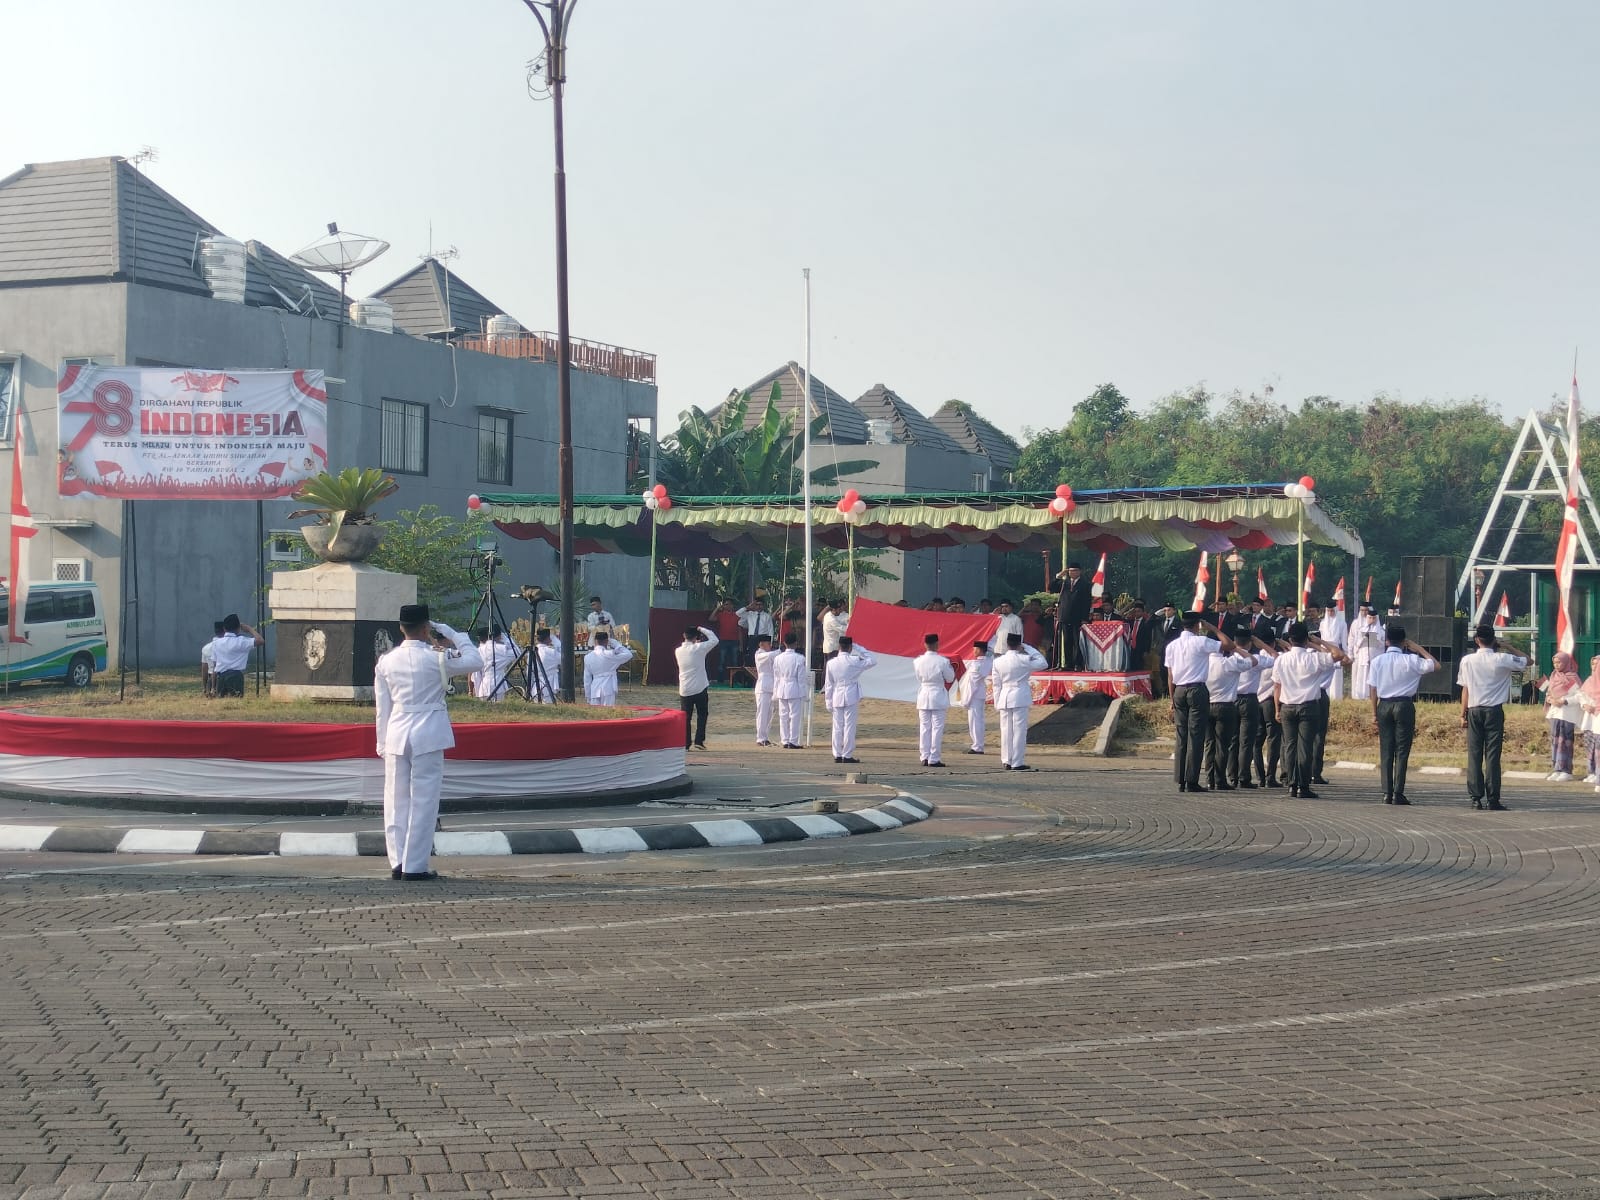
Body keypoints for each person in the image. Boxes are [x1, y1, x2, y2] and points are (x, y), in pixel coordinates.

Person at [374, 604, 482, 882]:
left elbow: (382, 708)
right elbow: (475, 661)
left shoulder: (386, 661)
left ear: (401, 628)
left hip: (396, 731)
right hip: (429, 732)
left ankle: (398, 861)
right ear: (426, 628)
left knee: (395, 801)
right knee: (423, 801)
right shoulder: (438, 658)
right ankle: (415, 865)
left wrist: (381, 743)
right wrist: (453, 633)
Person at [1273, 621, 1349, 798]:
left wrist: (1277, 709)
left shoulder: (1281, 659)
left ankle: (1291, 784)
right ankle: (1303, 786)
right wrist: (1319, 642)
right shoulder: (1313, 658)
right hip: (1308, 706)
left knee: (1290, 746)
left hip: (1287, 706)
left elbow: (1277, 686)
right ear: (1306, 639)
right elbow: (1339, 655)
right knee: (1305, 747)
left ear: (1290, 639)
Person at [1457, 624, 1529, 811]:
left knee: (1474, 755)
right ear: (1494, 640)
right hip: (1494, 711)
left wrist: (1462, 714)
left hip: (1474, 710)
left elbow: (1465, 689)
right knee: (1493, 756)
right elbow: (1528, 661)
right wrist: (1508, 647)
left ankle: (1475, 797)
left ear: (1476, 640)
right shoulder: (1502, 658)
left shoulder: (1467, 660)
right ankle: (1493, 798)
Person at [1367, 624, 1439, 805]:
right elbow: (1436, 665)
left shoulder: (1377, 661)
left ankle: (1386, 792)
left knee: (1386, 750)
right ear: (1404, 642)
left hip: (1384, 704)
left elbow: (1373, 689)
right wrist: (1419, 648)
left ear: (1387, 641)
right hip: (1404, 705)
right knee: (1402, 750)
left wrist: (1374, 714)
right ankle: (1398, 792)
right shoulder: (1412, 660)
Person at [1164, 612, 1234, 793]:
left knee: (1181, 736)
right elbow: (1229, 645)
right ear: (1197, 625)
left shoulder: (1172, 646)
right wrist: (1213, 628)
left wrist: (1172, 699)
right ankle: (1192, 780)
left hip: (1179, 690)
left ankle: (1180, 779)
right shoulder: (1201, 641)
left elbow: (1170, 675)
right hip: (1196, 689)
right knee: (1195, 736)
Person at [1201, 637, 1254, 790]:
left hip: (1207, 704)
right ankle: (1220, 779)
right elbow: (1253, 661)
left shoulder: (1203, 663)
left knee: (1209, 744)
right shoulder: (1229, 663)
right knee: (1223, 746)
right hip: (1225, 705)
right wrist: (1236, 648)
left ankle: (1209, 779)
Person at [992, 633, 1048, 769]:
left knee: (1006, 730)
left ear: (1007, 644)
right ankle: (1017, 762)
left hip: (1004, 696)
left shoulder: (998, 661)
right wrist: (1027, 647)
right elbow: (1043, 663)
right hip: (1019, 695)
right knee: (1019, 730)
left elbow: (996, 684)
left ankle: (1006, 760)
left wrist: (997, 702)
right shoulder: (1024, 659)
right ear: (1019, 644)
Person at [823, 636, 876, 762]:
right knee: (849, 726)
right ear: (850, 647)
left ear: (839, 647)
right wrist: (858, 647)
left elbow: (828, 684)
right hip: (851, 694)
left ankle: (837, 754)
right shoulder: (854, 660)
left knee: (837, 726)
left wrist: (828, 701)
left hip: (837, 694)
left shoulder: (831, 663)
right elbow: (872, 660)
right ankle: (847, 755)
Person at [1537, 651, 1582, 782]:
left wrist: (1563, 701)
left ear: (1566, 663)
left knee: (1565, 742)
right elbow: (1550, 692)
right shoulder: (1554, 676)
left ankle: (1566, 770)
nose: (1556, 665)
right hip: (1555, 713)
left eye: (1559, 662)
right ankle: (1557, 768)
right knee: (1555, 741)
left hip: (1567, 714)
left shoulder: (1571, 677)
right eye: (1554, 662)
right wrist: (1550, 699)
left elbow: (1579, 696)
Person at [913, 632, 956, 766]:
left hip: (924, 693)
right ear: (937, 644)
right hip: (937, 694)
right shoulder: (942, 661)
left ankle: (924, 756)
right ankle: (934, 757)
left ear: (925, 644)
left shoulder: (918, 661)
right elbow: (950, 678)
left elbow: (918, 678)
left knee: (924, 727)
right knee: (937, 728)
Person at [675, 624, 719, 751]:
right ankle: (699, 741)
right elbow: (714, 640)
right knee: (702, 714)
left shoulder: (678, 650)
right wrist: (701, 629)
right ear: (696, 637)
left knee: (686, 717)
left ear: (684, 636)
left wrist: (696, 642)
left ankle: (686, 743)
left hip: (685, 688)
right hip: (700, 687)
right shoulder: (699, 648)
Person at [1232, 635, 1266, 789]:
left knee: (1233, 741)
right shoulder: (1256, 659)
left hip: (1232, 699)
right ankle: (1243, 777)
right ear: (1250, 644)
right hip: (1249, 700)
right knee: (1246, 742)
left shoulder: (1230, 659)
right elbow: (1276, 657)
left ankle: (1232, 776)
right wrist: (1262, 644)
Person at [209, 613, 263, 698]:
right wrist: (249, 629)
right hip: (235, 676)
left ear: (224, 628)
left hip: (221, 677)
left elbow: (214, 667)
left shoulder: (216, 643)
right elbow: (260, 640)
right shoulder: (242, 641)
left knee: (222, 702)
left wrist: (213, 687)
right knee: (236, 700)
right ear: (239, 629)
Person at [955, 637, 994, 754]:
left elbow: (972, 685)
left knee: (975, 721)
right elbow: (990, 653)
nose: (973, 651)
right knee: (978, 720)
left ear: (979, 650)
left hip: (974, 695)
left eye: (975, 649)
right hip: (979, 694)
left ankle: (977, 746)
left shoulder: (977, 665)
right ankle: (978, 744)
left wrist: (966, 700)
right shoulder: (987, 661)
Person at [771, 633, 809, 748]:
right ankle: (793, 741)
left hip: (782, 687)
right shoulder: (800, 658)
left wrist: (775, 692)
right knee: (795, 716)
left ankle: (785, 740)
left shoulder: (778, 658)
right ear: (796, 643)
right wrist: (804, 693)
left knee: (783, 716)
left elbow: (776, 677)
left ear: (784, 643)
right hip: (794, 688)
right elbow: (801, 679)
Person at [1054, 562, 1094, 669]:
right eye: (1071, 571)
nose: (1073, 573)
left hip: (1078, 617)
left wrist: (1084, 618)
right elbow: (1051, 587)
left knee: (1077, 642)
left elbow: (1087, 602)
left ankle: (1078, 664)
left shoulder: (1085, 584)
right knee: (1067, 641)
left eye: (1075, 571)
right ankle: (1068, 664)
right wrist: (1059, 576)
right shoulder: (1064, 583)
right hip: (1064, 616)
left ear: (1080, 571)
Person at [582, 630, 633, 706]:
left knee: (596, 712)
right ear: (607, 641)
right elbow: (629, 655)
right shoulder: (610, 654)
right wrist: (617, 645)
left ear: (595, 641)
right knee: (608, 712)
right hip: (608, 687)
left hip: (595, 688)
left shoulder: (588, 657)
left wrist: (588, 695)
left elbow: (587, 679)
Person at [1347, 603, 1384, 700]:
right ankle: (1358, 696)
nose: (1364, 612)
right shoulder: (1356, 623)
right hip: (1359, 655)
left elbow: (1381, 643)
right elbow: (1351, 639)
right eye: (1362, 610)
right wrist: (1350, 654)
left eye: (1366, 610)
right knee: (1358, 677)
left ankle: (1372, 696)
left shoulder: (1380, 629)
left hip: (1374, 656)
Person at [474, 624, 516, 702]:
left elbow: (476, 675)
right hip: (498, 686)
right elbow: (517, 652)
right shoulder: (501, 649)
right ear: (500, 635)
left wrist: (477, 692)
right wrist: (506, 638)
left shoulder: (479, 650)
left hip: (483, 688)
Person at [1318, 598, 1349, 700]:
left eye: (1332, 611)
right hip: (1324, 651)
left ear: (1335, 610)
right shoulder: (1322, 623)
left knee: (1336, 675)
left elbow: (1344, 641)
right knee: (1325, 674)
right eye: (1328, 611)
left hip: (1336, 651)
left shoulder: (1342, 623)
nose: (1330, 613)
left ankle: (1336, 698)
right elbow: (1321, 639)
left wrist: (1345, 654)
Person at [752, 633, 778, 745]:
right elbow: (769, 656)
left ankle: (765, 737)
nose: (770, 646)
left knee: (769, 713)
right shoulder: (759, 654)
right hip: (762, 687)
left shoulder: (770, 654)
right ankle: (760, 738)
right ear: (761, 644)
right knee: (762, 713)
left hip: (771, 686)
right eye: (768, 643)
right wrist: (778, 651)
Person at [1579, 656, 1600, 786]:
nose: (1594, 667)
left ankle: (1597, 774)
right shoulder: (1589, 680)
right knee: (1590, 746)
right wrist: (1584, 705)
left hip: (1597, 716)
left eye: (1597, 664)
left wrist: (1595, 707)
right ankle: (1591, 772)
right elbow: (1580, 695)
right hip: (1589, 718)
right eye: (1593, 664)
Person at [736, 598, 775, 666]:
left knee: (763, 656)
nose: (759, 606)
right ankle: (752, 671)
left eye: (760, 605)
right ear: (754, 605)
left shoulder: (767, 616)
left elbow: (770, 630)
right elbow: (737, 613)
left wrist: (770, 643)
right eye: (757, 604)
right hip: (752, 637)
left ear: (763, 606)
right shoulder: (750, 614)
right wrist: (748, 607)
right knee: (752, 656)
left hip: (763, 637)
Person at [712, 598, 742, 681]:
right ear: (723, 606)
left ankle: (734, 679)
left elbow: (739, 630)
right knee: (721, 660)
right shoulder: (721, 615)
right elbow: (711, 618)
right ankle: (720, 679)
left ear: (733, 606)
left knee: (735, 661)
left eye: (730, 604)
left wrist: (741, 644)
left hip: (734, 641)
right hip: (723, 640)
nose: (728, 606)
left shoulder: (736, 615)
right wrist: (718, 608)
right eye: (726, 604)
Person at [532, 628, 560, 702]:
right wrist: (555, 640)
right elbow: (564, 659)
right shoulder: (551, 652)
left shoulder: (531, 652)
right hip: (549, 684)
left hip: (535, 685)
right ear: (548, 638)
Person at [200, 620, 222, 698]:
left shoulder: (206, 648)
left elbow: (204, 669)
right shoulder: (227, 646)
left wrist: (204, 687)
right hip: (223, 678)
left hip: (211, 679)